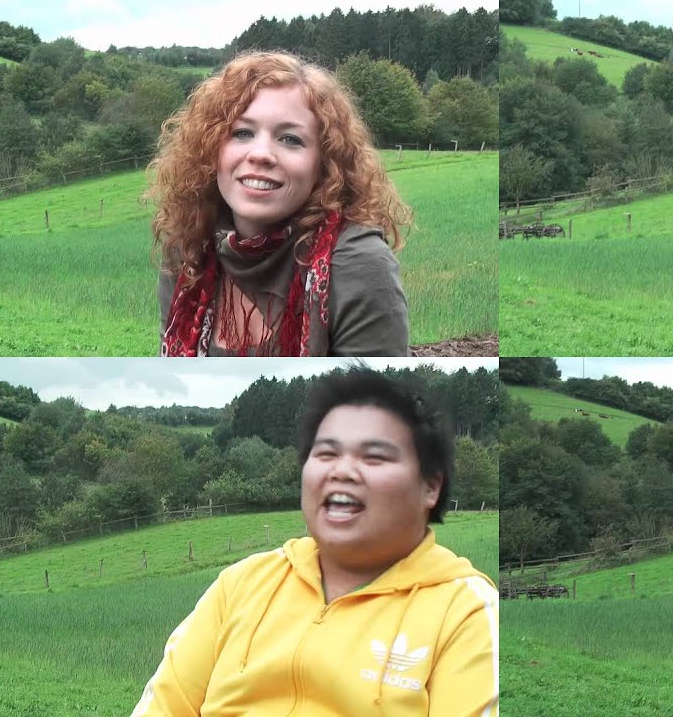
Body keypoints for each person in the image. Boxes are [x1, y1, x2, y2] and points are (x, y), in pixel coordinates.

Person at [131, 370, 499, 716]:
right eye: (326, 453)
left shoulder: (464, 611)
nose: (341, 470)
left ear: (430, 487)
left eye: (374, 457)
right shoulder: (242, 585)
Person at [151, 51, 411, 357]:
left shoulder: (358, 265)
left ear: (325, 164)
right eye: (242, 133)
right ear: (210, 151)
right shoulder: (190, 251)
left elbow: (371, 402)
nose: (260, 154)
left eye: (290, 139)